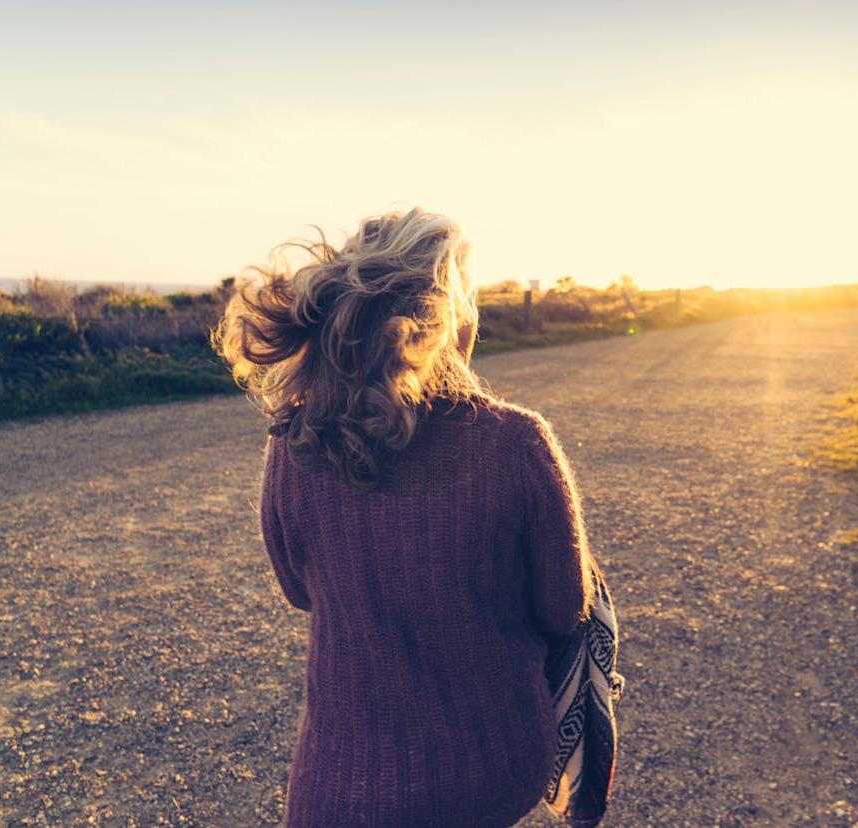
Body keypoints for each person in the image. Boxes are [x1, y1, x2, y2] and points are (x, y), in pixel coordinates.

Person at [216, 207, 603, 827]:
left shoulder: (296, 441)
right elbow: (565, 608)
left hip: (337, 785)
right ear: (448, 317)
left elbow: (298, 591)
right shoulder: (515, 444)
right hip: (490, 767)